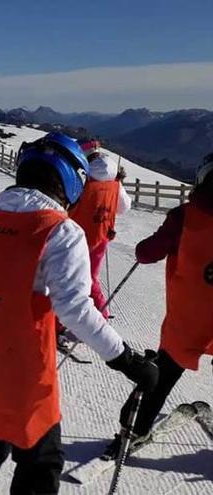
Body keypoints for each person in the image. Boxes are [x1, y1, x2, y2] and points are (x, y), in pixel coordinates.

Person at [0, 132, 158, 494]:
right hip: (25, 375)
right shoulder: (60, 232)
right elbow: (76, 308)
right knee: (41, 462)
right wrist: (126, 360)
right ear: (70, 179)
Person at [103, 152, 213, 458]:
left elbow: (147, 253)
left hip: (188, 321)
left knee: (160, 377)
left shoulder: (184, 217)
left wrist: (147, 247)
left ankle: (131, 432)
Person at [68, 142, 132, 318]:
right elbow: (124, 207)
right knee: (91, 277)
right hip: (102, 234)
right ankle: (101, 312)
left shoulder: (81, 179)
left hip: (76, 236)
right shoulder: (115, 181)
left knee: (70, 279)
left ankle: (65, 321)